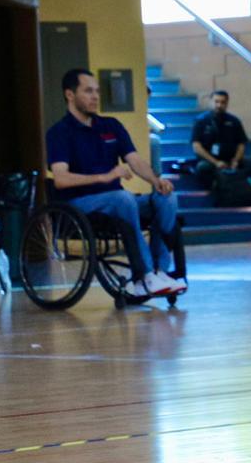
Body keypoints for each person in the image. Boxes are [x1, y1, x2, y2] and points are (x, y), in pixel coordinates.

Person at [46, 69, 185, 297]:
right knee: (123, 198)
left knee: (167, 198)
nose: (95, 96)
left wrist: (156, 181)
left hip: (117, 202)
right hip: (80, 204)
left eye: (97, 91)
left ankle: (161, 271)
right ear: (70, 95)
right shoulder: (59, 133)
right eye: (88, 91)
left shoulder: (110, 126)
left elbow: (134, 160)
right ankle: (144, 275)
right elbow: (60, 179)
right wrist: (104, 177)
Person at [191, 90, 251, 190]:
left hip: (231, 161)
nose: (219, 105)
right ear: (211, 102)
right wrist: (216, 163)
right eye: (216, 102)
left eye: (222, 102)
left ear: (227, 103)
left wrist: (236, 160)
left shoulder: (234, 121)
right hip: (211, 162)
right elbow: (196, 147)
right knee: (202, 168)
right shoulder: (201, 121)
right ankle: (218, 185)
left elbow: (241, 144)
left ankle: (234, 179)